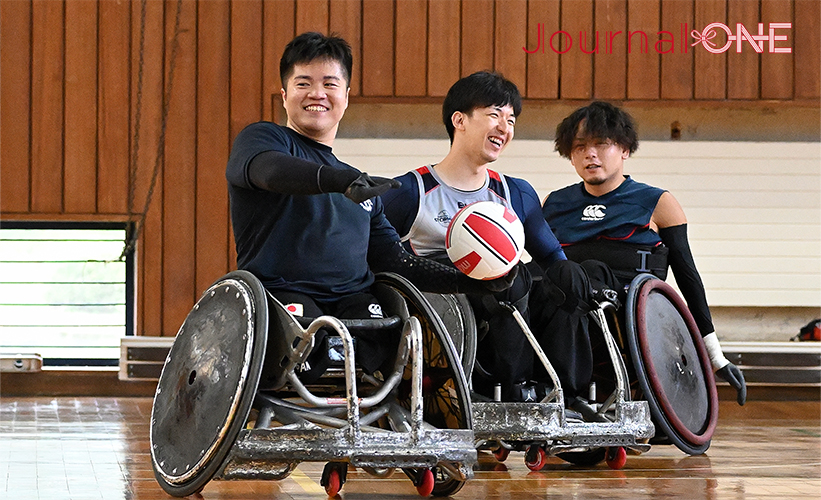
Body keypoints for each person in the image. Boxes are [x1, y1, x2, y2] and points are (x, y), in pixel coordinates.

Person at [226, 33, 513, 381]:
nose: (317, 93)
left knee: (388, 327)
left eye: (330, 83)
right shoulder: (263, 140)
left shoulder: (365, 193)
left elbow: (397, 261)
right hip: (280, 300)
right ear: (285, 96)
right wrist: (341, 181)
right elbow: (270, 172)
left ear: (346, 97)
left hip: (355, 305)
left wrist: (478, 283)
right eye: (304, 83)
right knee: (308, 333)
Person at [382, 71, 598, 403]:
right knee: (507, 278)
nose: (504, 127)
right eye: (494, 115)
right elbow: (378, 257)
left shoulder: (516, 192)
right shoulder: (411, 191)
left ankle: (567, 393)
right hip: (445, 307)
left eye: (510, 120)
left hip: (509, 296)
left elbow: (553, 260)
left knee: (567, 277)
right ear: (460, 120)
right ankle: (509, 388)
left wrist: (570, 280)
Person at [543, 101, 747, 405]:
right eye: (580, 146)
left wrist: (714, 355)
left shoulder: (657, 202)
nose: (590, 154)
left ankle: (571, 393)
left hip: (623, 299)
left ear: (625, 150)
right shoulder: (553, 203)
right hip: (563, 296)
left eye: (602, 144)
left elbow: (687, 276)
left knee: (588, 270)